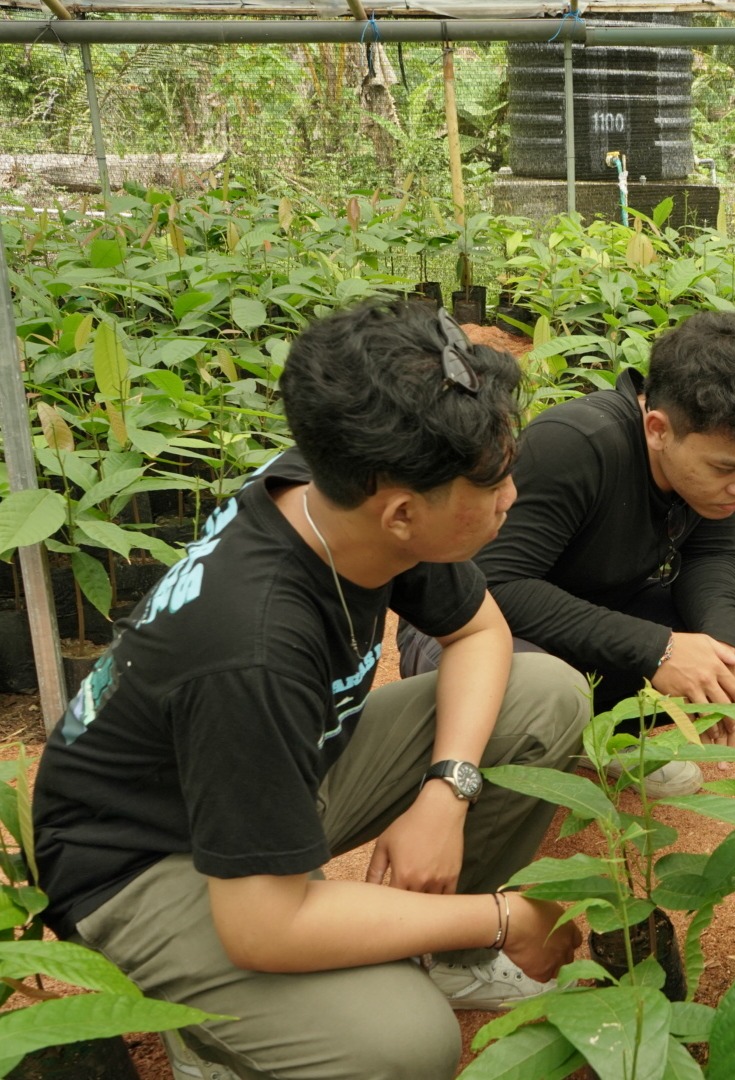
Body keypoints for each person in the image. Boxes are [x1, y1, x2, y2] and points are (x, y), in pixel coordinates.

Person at [32, 301, 590, 1080]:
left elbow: (481, 634)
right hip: (142, 861)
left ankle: (448, 957)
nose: (512, 498)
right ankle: (212, 1029)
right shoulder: (254, 646)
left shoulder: (351, 486)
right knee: (403, 1045)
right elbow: (265, 926)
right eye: (495, 483)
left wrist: (446, 792)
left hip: (268, 771)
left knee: (545, 695)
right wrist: (503, 915)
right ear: (399, 514)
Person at [398, 311, 735, 796]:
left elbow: (711, 556)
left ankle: (594, 740)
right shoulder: (578, 445)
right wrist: (659, 648)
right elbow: (494, 586)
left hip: (589, 616)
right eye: (726, 468)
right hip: (470, 630)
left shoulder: (710, 464)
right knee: (538, 685)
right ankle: (504, 760)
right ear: (657, 429)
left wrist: (721, 661)